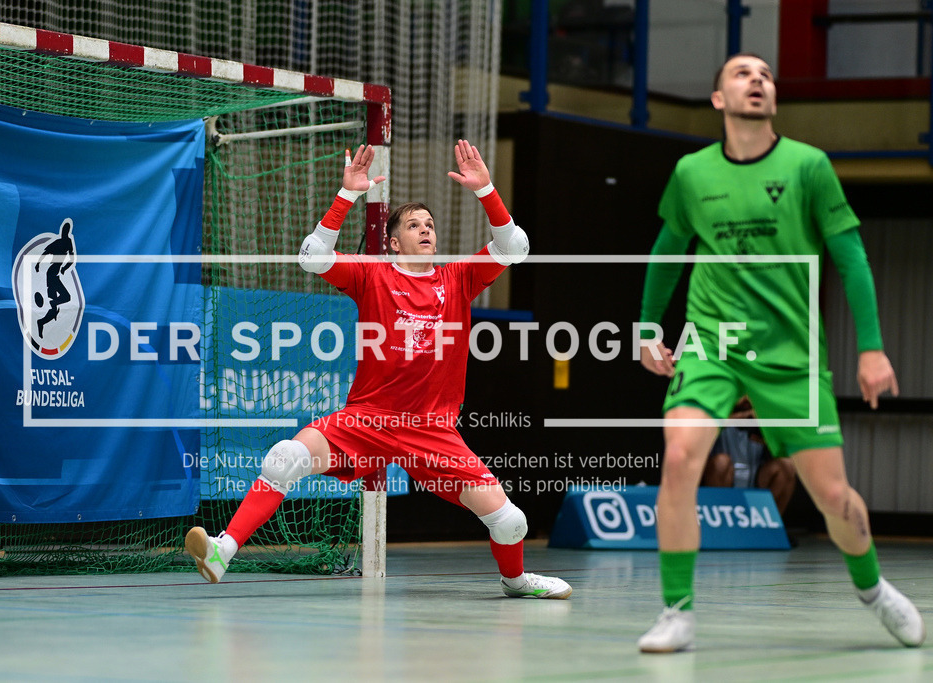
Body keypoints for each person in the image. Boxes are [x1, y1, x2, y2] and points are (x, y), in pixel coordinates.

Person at [186, 140, 571, 600]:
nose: (425, 230)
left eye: (429, 224)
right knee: (284, 459)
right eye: (413, 225)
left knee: (511, 522)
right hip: (368, 419)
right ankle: (221, 551)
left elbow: (515, 248)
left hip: (431, 429)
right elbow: (313, 257)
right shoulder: (373, 275)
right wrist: (346, 196)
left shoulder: (458, 278)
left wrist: (487, 189)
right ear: (392, 242)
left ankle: (515, 580)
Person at [636, 53, 924, 652]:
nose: (757, 80)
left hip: (792, 355)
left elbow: (851, 258)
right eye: (742, 74)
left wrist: (872, 349)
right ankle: (677, 611)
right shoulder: (692, 173)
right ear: (718, 98)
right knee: (681, 453)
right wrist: (645, 329)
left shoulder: (809, 167)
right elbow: (667, 252)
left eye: (766, 74)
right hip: (712, 344)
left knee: (833, 497)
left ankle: (873, 591)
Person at [701, 396, 796, 515]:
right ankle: (720, 524)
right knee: (721, 462)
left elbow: (786, 448)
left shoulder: (762, 414)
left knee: (786, 465)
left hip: (755, 482)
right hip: (723, 483)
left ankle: (770, 526)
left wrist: (767, 436)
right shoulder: (719, 411)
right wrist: (739, 419)